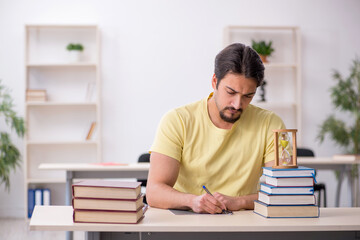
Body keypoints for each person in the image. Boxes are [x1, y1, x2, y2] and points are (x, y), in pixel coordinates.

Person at [146, 43, 285, 214]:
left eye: (248, 96)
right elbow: (154, 192)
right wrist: (193, 201)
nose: (237, 104)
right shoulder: (177, 120)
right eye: (230, 92)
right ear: (214, 82)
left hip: (246, 225)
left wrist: (240, 201)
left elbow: (283, 192)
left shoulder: (272, 124)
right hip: (186, 222)